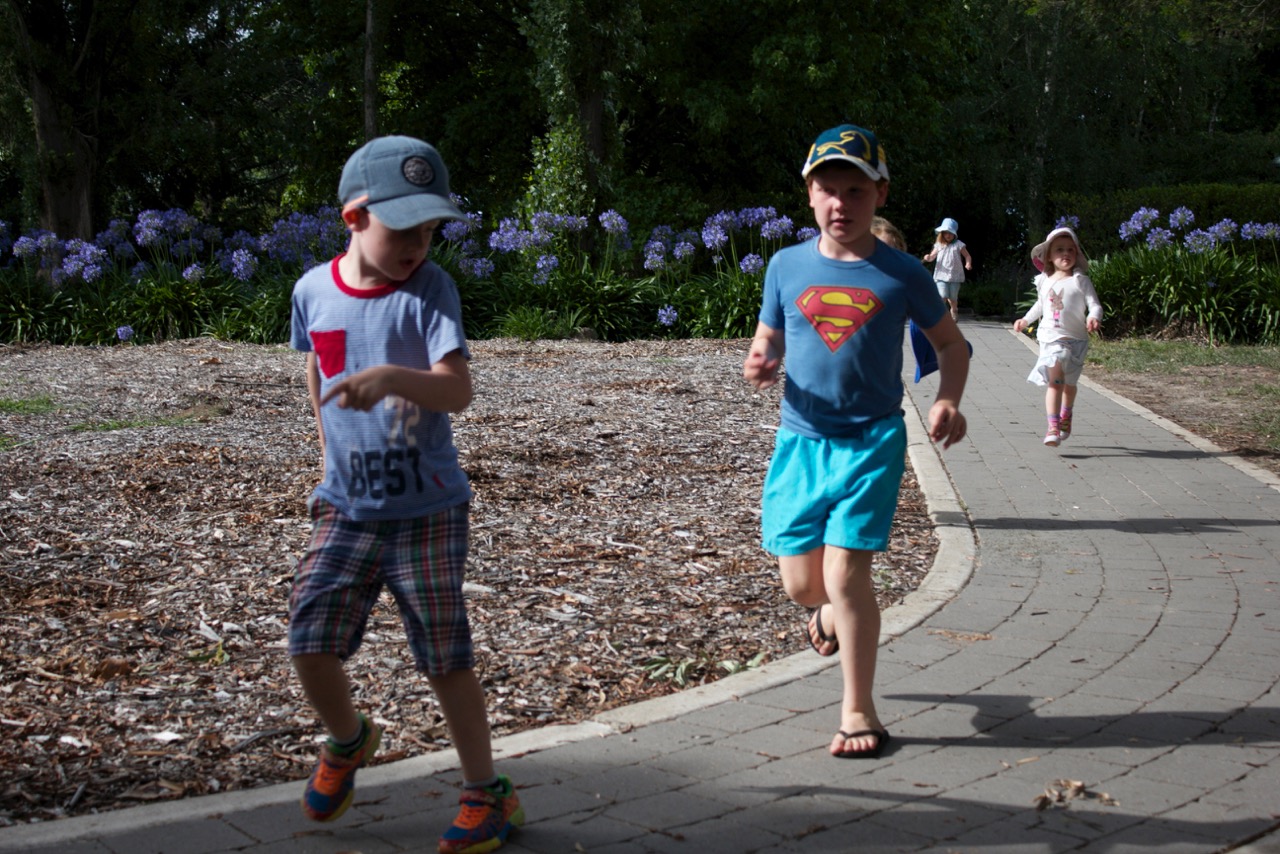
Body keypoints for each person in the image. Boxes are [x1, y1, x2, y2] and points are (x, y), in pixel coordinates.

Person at [288, 135, 523, 854]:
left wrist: (392, 377)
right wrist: (327, 453)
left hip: (427, 509)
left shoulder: (431, 290)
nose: (418, 244)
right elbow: (317, 368)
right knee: (309, 638)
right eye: (403, 228)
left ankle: (485, 792)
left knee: (445, 656)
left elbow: (458, 390)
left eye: (429, 228)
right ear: (354, 217)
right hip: (347, 507)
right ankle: (348, 739)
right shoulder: (312, 291)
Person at [743, 124, 969, 759]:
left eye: (855, 190)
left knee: (846, 576)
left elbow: (952, 345)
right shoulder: (786, 266)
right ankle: (826, 616)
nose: (840, 203)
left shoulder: (901, 273)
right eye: (828, 189)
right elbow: (769, 336)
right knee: (803, 587)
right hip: (801, 442)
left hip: (872, 443)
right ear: (809, 194)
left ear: (881, 194)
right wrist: (761, 359)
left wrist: (948, 398)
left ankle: (857, 709)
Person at [1013, 225, 1103, 447]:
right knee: (1055, 382)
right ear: (1049, 257)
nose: (1066, 254)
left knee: (1069, 384)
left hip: (1076, 340)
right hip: (1051, 338)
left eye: (1070, 250)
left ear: (1077, 254)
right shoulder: (1044, 280)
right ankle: (1052, 426)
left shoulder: (1080, 280)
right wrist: (1025, 320)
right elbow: (1040, 305)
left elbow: (1095, 305)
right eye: (1059, 250)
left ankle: (1066, 414)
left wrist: (1093, 316)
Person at [922, 217, 973, 321]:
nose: (948, 235)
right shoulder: (939, 245)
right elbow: (932, 256)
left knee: (953, 298)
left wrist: (968, 263)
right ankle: (941, 315)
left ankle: (954, 309)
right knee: (942, 295)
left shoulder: (959, 245)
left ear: (954, 234)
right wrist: (928, 257)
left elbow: (967, 256)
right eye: (945, 233)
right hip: (941, 275)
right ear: (942, 233)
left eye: (950, 233)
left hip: (955, 276)